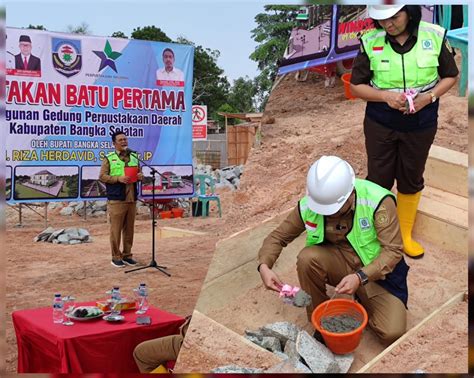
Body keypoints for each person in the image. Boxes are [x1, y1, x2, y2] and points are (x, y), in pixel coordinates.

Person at [258, 156, 409, 345]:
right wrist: (264, 266)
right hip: (338, 263)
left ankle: (362, 299)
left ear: (350, 194)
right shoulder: (311, 204)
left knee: (391, 333)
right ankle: (321, 318)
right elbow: (277, 237)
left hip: (375, 272)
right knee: (307, 259)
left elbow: (393, 251)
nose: (327, 213)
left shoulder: (378, 200)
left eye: (333, 209)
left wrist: (360, 277)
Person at [350, 5, 458, 259]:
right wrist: (384, 96)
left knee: (411, 177)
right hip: (380, 124)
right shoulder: (369, 42)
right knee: (379, 178)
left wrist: (428, 97)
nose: (388, 24)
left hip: (421, 124)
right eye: (382, 20)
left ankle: (404, 235)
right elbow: (356, 86)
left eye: (394, 17)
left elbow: (450, 76)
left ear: (409, 12)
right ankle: (378, 233)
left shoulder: (433, 35)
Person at [99, 130, 143, 268]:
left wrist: (140, 176)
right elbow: (102, 176)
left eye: (125, 139)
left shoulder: (135, 156)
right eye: (120, 140)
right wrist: (118, 178)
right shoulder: (109, 158)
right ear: (114, 143)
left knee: (129, 229)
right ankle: (116, 256)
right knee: (116, 229)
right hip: (117, 198)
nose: (124, 141)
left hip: (131, 197)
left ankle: (127, 255)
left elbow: (139, 172)